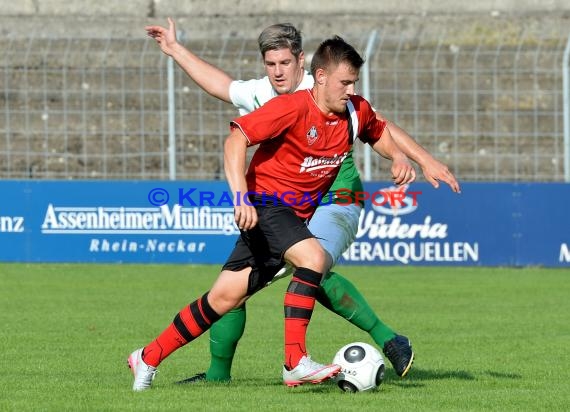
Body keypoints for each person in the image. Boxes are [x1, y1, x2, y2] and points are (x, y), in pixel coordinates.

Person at [144, 18, 461, 383]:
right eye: (270, 63)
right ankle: (213, 376)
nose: (278, 71)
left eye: (285, 62)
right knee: (234, 288)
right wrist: (174, 49)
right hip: (279, 203)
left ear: (303, 61)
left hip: (335, 197)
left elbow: (378, 123)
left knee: (313, 262)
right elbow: (221, 86)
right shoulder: (265, 94)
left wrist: (417, 158)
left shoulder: (327, 85)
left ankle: (377, 340)